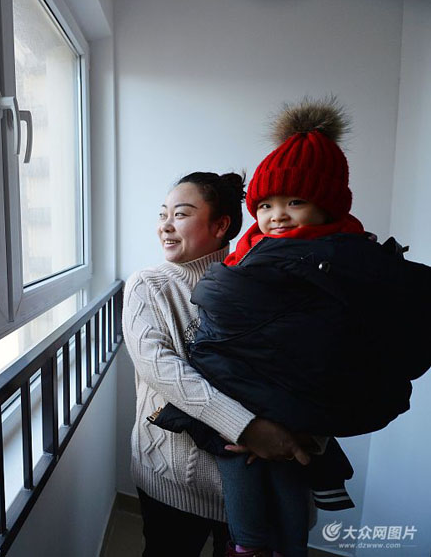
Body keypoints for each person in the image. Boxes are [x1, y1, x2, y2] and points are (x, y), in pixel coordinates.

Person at [150, 98, 431, 557]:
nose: (277, 214)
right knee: (245, 496)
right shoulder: (207, 269)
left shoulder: (334, 258)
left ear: (221, 225)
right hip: (225, 440)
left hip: (287, 422)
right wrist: (248, 428)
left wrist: (302, 426)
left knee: (283, 494)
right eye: (266, 205)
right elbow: (169, 365)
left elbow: (335, 348)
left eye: (294, 202)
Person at [122, 172, 315, 557]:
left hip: (252, 485)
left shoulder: (258, 280)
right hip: (173, 478)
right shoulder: (148, 285)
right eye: (163, 214)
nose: (165, 225)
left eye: (180, 214)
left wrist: (301, 435)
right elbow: (161, 370)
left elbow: (302, 363)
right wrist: (248, 429)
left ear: (221, 225)